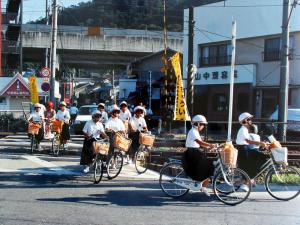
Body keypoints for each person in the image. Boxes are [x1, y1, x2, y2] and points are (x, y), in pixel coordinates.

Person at [182, 115, 216, 196]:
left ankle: (202, 186)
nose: (203, 126)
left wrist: (210, 147)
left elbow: (201, 144)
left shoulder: (195, 132)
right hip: (192, 152)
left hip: (195, 151)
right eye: (202, 124)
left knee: (208, 167)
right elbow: (200, 143)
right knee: (209, 167)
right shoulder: (193, 131)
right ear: (197, 124)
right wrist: (211, 145)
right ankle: (202, 186)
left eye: (203, 125)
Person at [236, 112, 270, 180]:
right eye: (249, 119)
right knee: (260, 159)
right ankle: (248, 180)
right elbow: (248, 141)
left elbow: (250, 141)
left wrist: (262, 143)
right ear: (245, 121)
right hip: (243, 150)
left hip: (245, 149)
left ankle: (250, 179)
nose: (251, 121)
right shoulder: (243, 129)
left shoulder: (245, 129)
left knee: (260, 158)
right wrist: (261, 143)